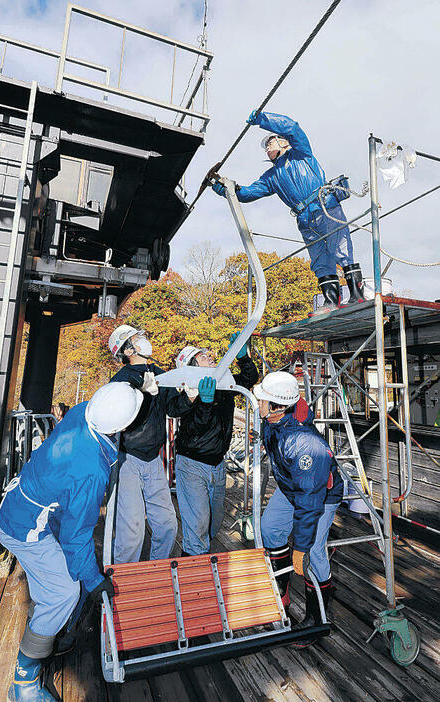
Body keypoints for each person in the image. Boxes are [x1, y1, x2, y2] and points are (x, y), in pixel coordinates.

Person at [0, 382, 143, 702]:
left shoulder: (82, 412)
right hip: (26, 529)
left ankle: (57, 635)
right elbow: (77, 538)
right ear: (122, 427)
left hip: (35, 510)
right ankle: (24, 683)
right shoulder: (91, 470)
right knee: (64, 591)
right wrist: (94, 581)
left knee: (73, 571)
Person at [212, 111, 365, 316]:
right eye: (266, 146)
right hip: (305, 220)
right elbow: (247, 194)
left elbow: (292, 127)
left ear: (284, 142)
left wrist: (263, 120)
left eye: (270, 142)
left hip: (325, 207)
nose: (267, 147)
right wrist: (223, 187)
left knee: (341, 249)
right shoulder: (271, 177)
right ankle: (331, 301)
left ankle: (357, 294)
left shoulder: (302, 153)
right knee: (320, 260)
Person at [253, 371, 343, 644]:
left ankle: (316, 618)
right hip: (294, 486)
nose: (257, 404)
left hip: (319, 495)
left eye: (262, 401)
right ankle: (282, 591)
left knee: (313, 552)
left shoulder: (306, 446)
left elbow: (309, 503)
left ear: (277, 407)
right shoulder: (274, 420)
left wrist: (300, 547)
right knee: (269, 529)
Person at [108, 324, 192, 563]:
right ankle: (123, 584)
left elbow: (173, 408)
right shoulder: (120, 381)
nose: (144, 339)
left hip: (153, 458)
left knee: (167, 525)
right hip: (127, 459)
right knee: (131, 532)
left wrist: (190, 397)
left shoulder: (158, 372)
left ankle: (157, 570)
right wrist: (141, 394)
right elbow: (121, 419)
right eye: (138, 337)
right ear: (127, 350)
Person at [174, 332, 258, 556]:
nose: (210, 357)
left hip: (217, 464)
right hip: (192, 464)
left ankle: (200, 555)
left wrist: (243, 358)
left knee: (213, 522)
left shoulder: (222, 381)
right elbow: (196, 429)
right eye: (202, 357)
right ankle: (193, 575)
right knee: (197, 524)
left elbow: (249, 379)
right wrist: (205, 402)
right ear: (193, 367)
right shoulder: (189, 391)